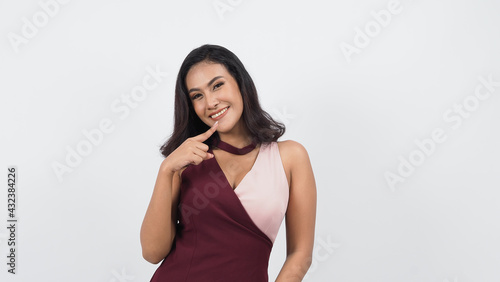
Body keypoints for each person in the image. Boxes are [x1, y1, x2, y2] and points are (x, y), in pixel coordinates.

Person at [140, 44, 317, 281]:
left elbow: (300, 254)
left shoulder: (290, 157)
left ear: (240, 82)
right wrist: (166, 170)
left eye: (217, 85)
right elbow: (152, 252)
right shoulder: (185, 162)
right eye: (197, 96)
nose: (211, 102)